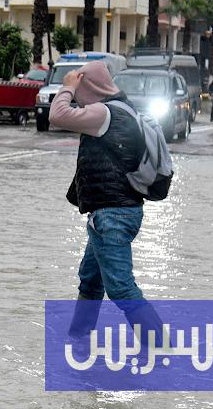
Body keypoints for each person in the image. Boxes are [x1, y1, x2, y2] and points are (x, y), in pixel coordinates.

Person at [49, 61, 163, 344]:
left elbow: (57, 115)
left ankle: (161, 347)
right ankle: (78, 337)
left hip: (111, 216)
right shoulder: (124, 107)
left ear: (90, 86)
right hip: (116, 212)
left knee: (121, 288)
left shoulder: (103, 112)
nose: (78, 95)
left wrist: (68, 86)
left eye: (81, 88)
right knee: (90, 278)